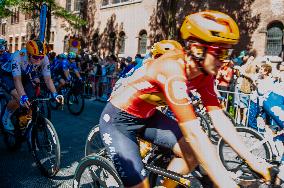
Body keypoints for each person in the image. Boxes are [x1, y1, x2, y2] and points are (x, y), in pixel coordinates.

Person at [98, 11, 276, 188]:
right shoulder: (171, 68)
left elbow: (220, 119)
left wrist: (253, 160)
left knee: (191, 154)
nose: (224, 61)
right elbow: (194, 133)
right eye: (220, 53)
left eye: (227, 53)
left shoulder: (204, 75)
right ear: (198, 49)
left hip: (149, 117)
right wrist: (225, 183)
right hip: (118, 122)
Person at [2, 39, 63, 131]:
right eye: (35, 57)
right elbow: (17, 79)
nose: (39, 60)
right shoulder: (18, 56)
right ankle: (6, 117)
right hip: (8, 75)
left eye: (41, 57)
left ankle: (24, 117)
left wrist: (55, 93)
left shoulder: (44, 58)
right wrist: (22, 96)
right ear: (28, 54)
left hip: (24, 74)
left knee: (31, 98)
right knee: (18, 98)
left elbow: (48, 79)